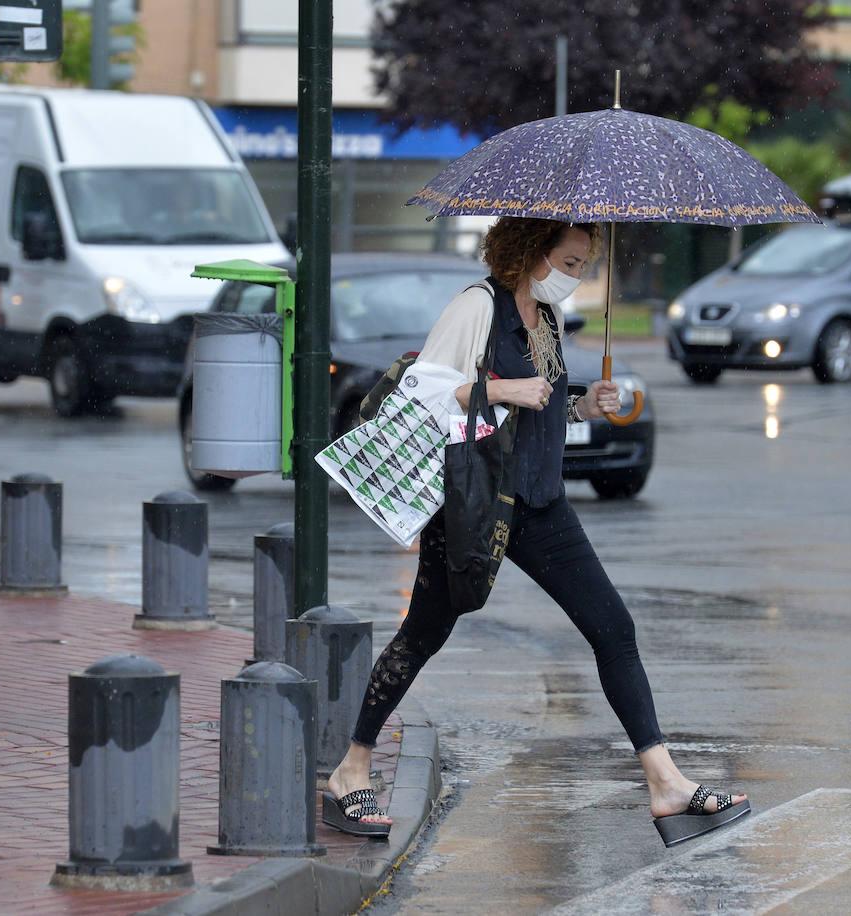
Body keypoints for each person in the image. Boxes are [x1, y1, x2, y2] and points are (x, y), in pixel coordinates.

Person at [321, 217, 749, 848]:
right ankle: (351, 768)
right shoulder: (477, 307)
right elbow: (422, 396)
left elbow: (541, 406)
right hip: (476, 503)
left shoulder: (543, 321)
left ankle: (665, 784)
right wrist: (502, 387)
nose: (576, 277)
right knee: (425, 632)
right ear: (532, 252)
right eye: (570, 263)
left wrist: (584, 406)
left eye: (582, 266)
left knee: (613, 627)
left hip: (542, 504)